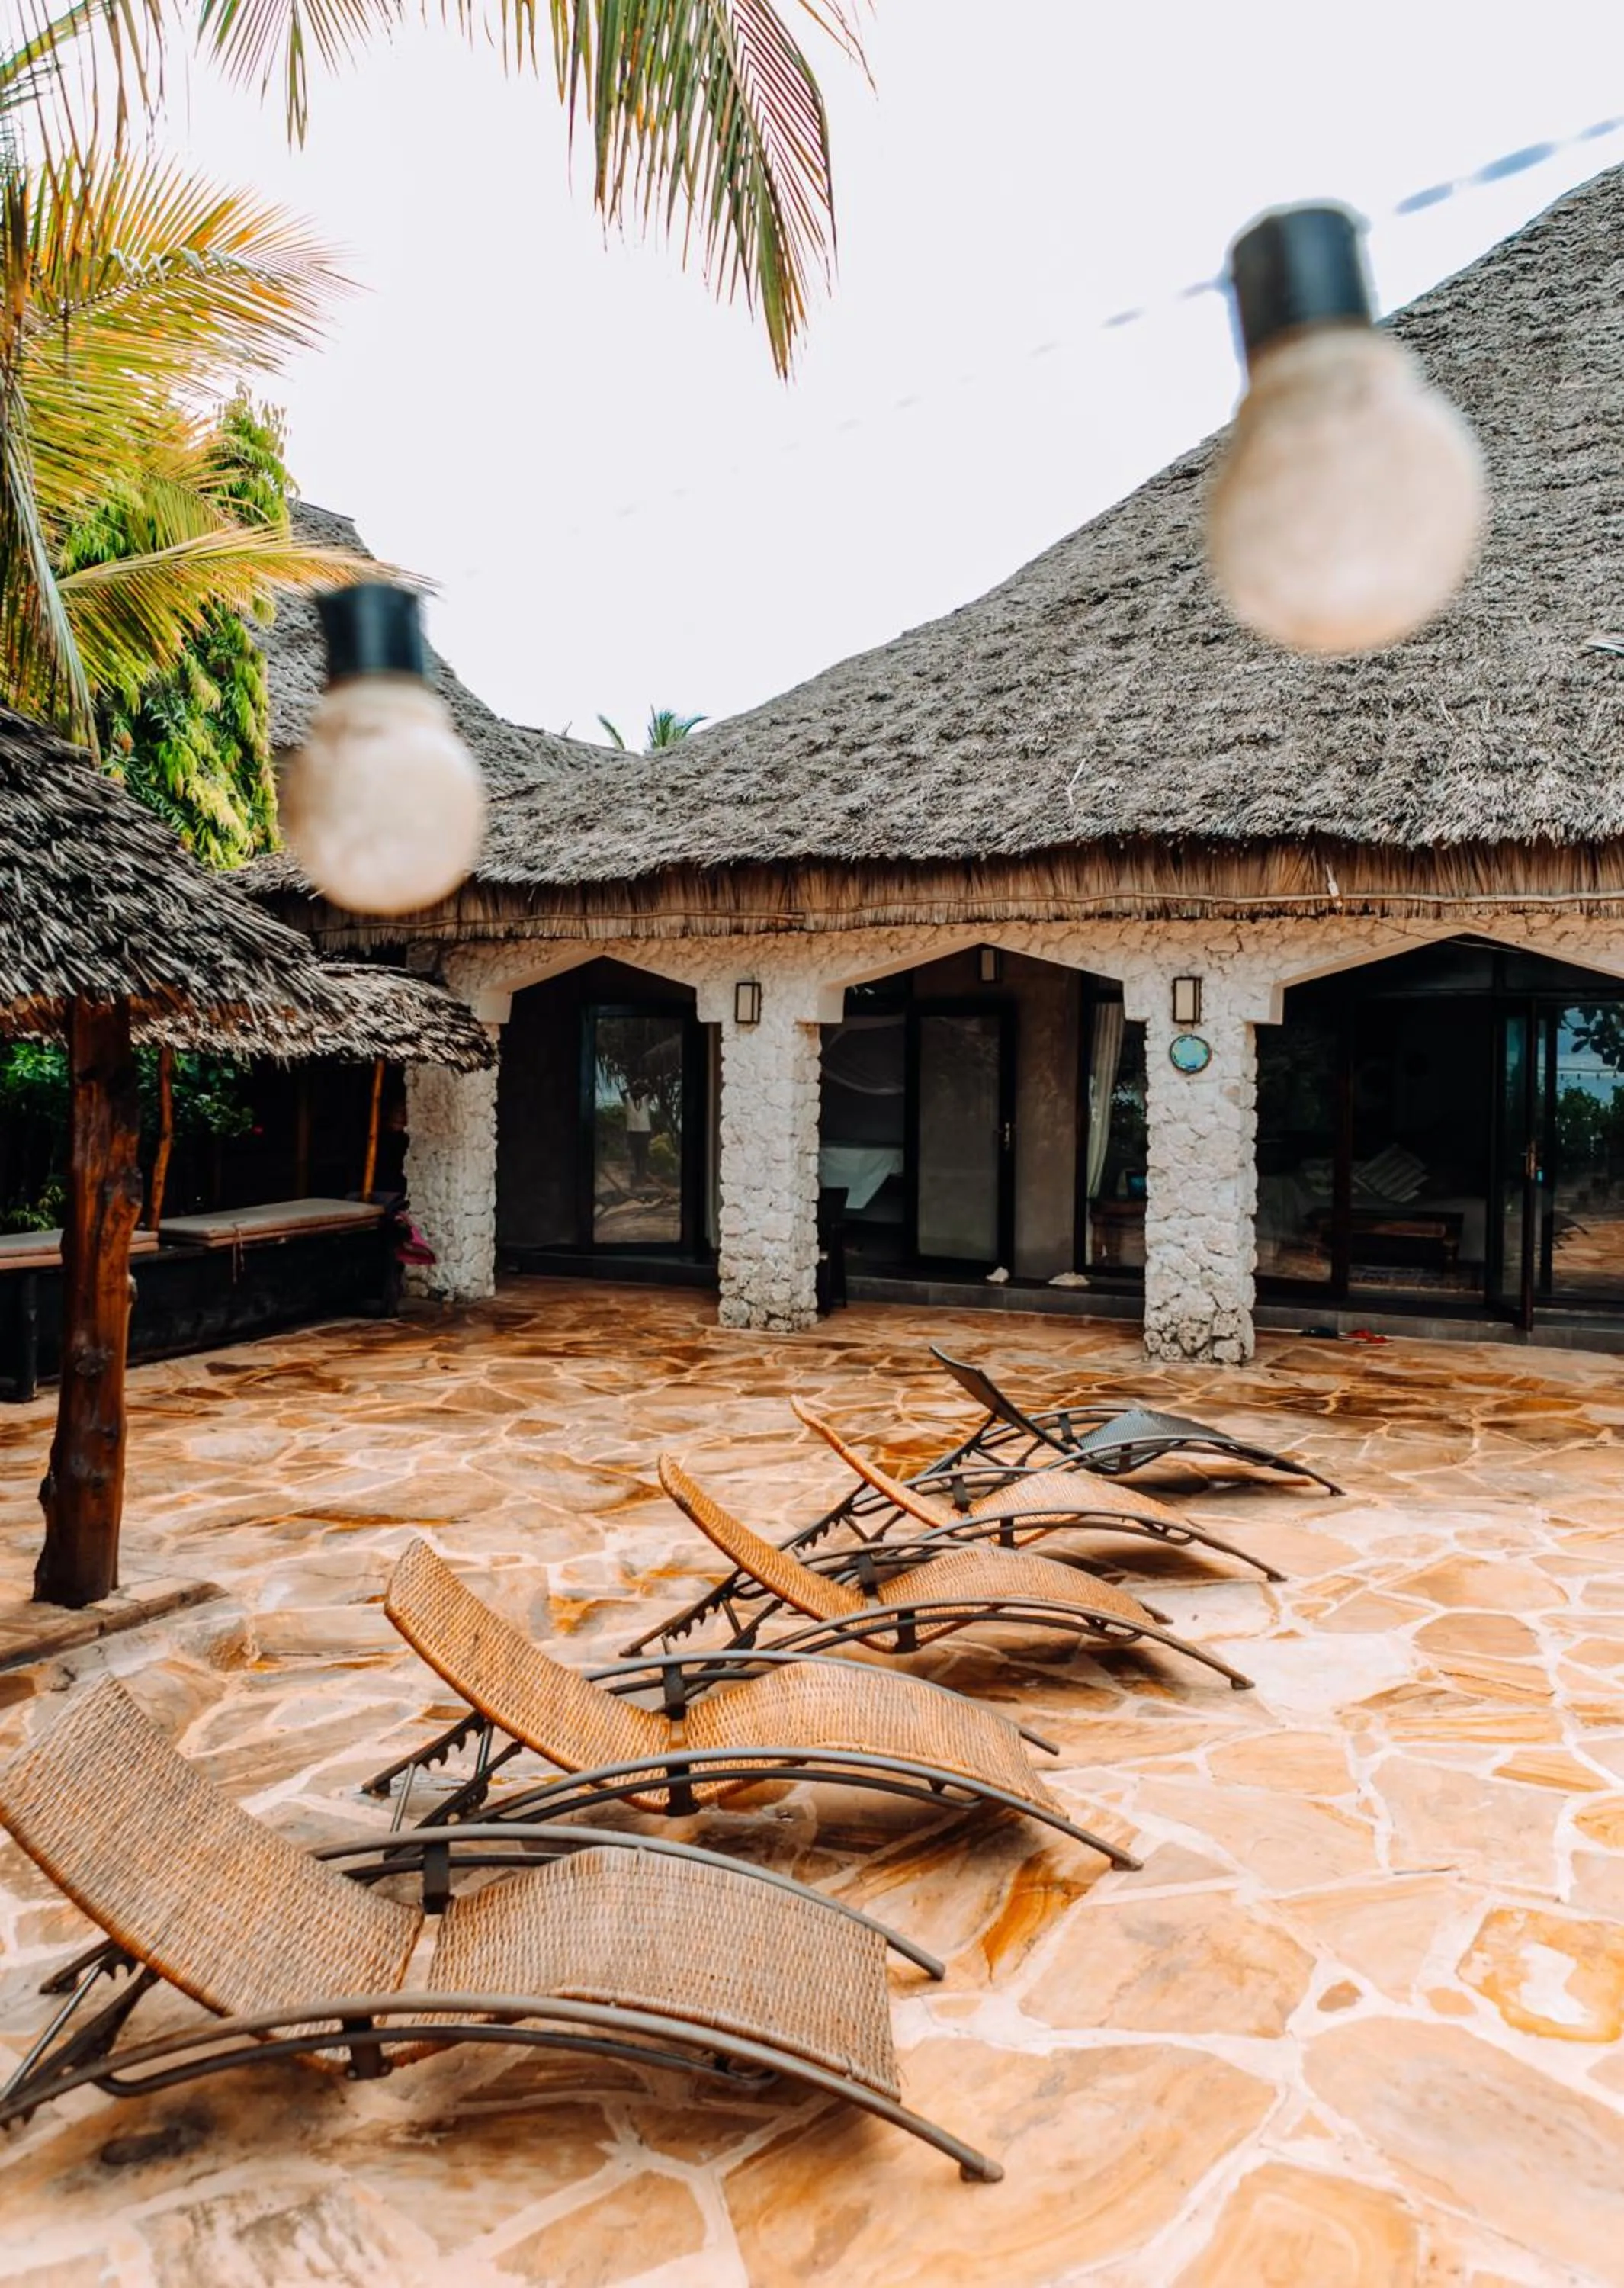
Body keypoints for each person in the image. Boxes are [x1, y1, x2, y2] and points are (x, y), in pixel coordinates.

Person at [624, 1082, 653, 1188]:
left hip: (644, 1132)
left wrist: (642, 1084)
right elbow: (622, 1093)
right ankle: (637, 1180)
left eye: (639, 1092)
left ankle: (642, 1180)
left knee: (643, 1157)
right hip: (633, 1132)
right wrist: (632, 1087)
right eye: (635, 1092)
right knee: (636, 1157)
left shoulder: (645, 1100)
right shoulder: (629, 1100)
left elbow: (651, 1090)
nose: (637, 1094)